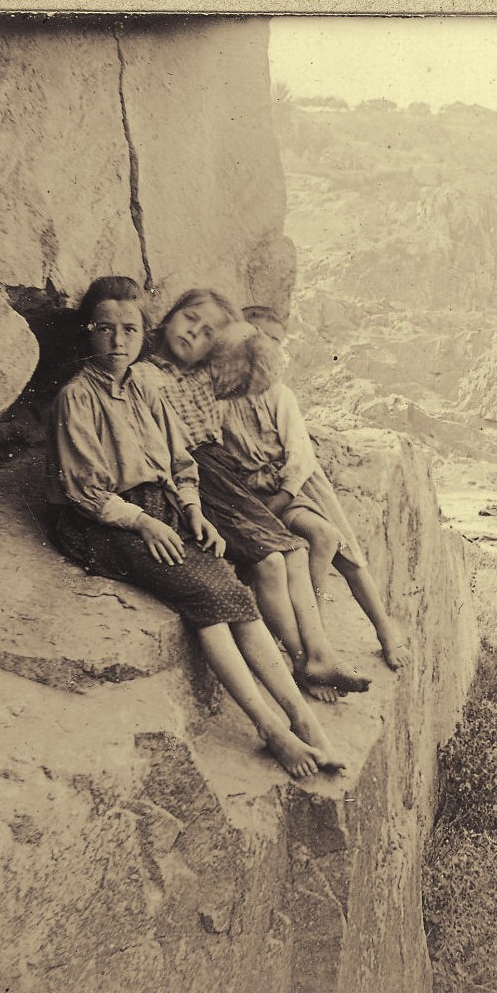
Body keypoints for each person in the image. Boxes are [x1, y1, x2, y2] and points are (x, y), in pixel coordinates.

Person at [46, 276, 343, 777]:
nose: (119, 341)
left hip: (160, 507)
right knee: (206, 595)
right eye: (105, 329)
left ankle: (304, 720)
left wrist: (193, 511)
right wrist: (143, 524)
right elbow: (85, 491)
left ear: (144, 332)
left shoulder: (145, 386)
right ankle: (272, 730)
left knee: (233, 590)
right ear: (88, 333)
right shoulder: (77, 397)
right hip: (101, 522)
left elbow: (181, 463)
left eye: (129, 330)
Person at [146, 288, 370, 700]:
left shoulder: (204, 375)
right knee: (269, 562)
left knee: (296, 551)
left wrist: (232, 332)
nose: (195, 332)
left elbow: (253, 361)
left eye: (208, 332)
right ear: (167, 317)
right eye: (190, 318)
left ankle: (319, 654)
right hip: (197, 475)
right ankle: (304, 658)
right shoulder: (146, 376)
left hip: (222, 473)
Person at [211, 305, 411, 670]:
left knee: (338, 544)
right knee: (301, 547)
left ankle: (384, 631)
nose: (263, 345)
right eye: (254, 335)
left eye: (274, 340)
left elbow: (300, 457)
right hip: (252, 494)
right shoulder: (220, 395)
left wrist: (283, 495)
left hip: (297, 485)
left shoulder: (279, 394)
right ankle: (309, 640)